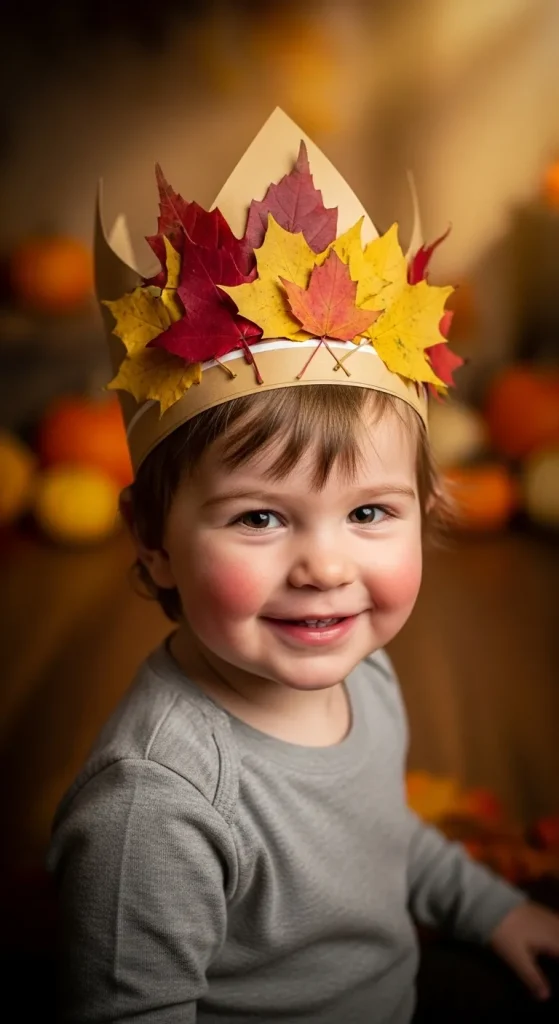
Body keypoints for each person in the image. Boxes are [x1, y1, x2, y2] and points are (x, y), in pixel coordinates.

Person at [48, 109, 559, 1023]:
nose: (324, 566)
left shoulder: (362, 668)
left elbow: (378, 836)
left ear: (427, 512)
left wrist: (491, 908)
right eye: (259, 517)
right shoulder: (156, 807)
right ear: (152, 538)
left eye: (368, 512)